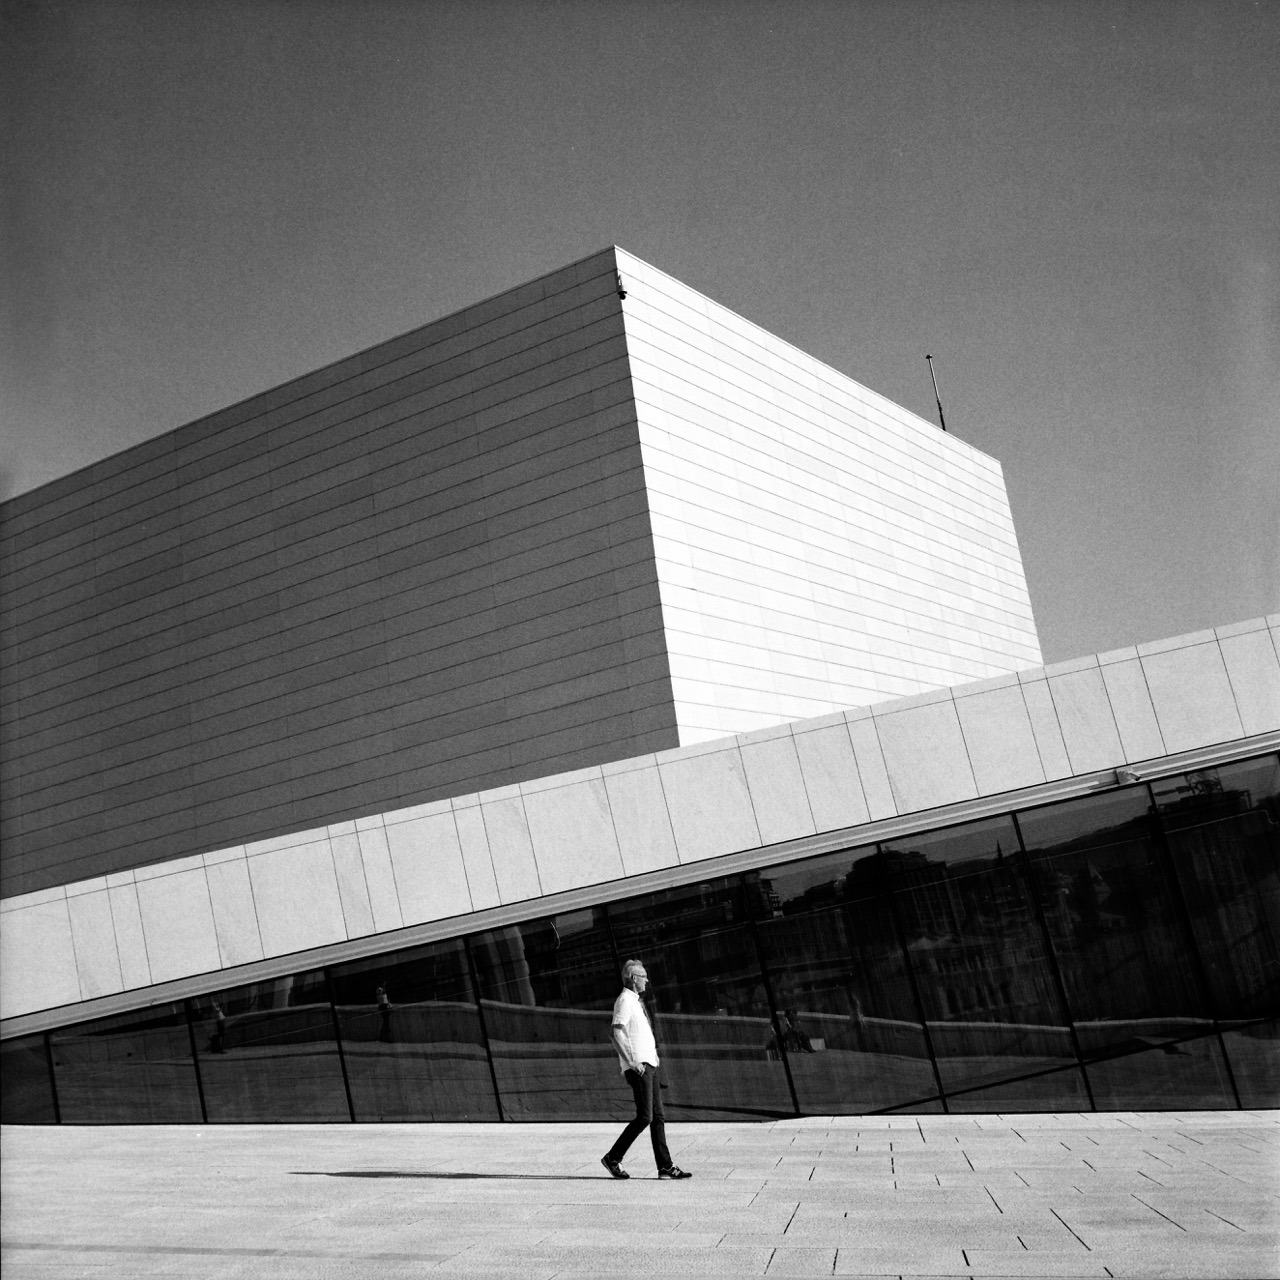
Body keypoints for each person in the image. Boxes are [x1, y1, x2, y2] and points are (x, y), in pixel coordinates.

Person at [601, 959, 691, 1180]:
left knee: (657, 1117)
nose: (647, 980)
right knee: (645, 1117)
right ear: (633, 978)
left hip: (649, 1065)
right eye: (644, 976)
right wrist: (633, 1062)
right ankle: (613, 1158)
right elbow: (615, 1033)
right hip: (639, 1067)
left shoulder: (636, 1002)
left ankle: (665, 1167)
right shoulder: (624, 1000)